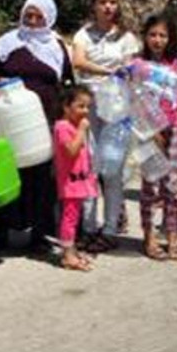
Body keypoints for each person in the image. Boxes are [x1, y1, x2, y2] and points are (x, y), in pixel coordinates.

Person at [0, 0, 74, 252]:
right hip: (12, 120)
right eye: (28, 15)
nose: (33, 21)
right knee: (7, 173)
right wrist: (1, 82)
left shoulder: (57, 48)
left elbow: (67, 82)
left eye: (38, 17)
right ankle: (0, 232)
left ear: (49, 18)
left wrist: (65, 118)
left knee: (41, 178)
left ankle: (40, 235)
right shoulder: (7, 44)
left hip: (43, 120)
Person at [70, 0, 140, 251]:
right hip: (89, 111)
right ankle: (88, 227)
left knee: (112, 171)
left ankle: (110, 228)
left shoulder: (126, 38)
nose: (108, 7)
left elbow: (132, 69)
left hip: (117, 111)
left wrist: (113, 73)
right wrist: (108, 71)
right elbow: (78, 61)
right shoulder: (83, 35)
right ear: (94, 5)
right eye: (103, 2)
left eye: (112, 2)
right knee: (88, 167)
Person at [134, 14, 177, 261]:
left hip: (175, 129)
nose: (157, 40)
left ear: (170, 39)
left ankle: (172, 236)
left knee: (172, 187)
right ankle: (149, 237)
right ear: (145, 37)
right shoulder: (137, 66)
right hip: (148, 133)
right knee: (150, 188)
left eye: (163, 35)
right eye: (153, 35)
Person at [53, 87, 98, 272]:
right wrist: (81, 130)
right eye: (80, 106)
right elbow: (71, 151)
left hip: (80, 180)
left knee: (74, 216)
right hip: (70, 182)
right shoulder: (62, 127)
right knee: (69, 217)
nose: (85, 111)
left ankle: (71, 249)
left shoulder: (73, 126)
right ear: (66, 107)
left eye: (88, 107)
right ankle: (67, 255)